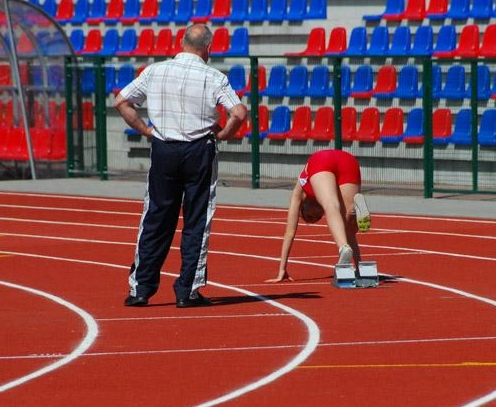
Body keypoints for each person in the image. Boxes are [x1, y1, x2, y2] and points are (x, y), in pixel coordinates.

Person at [115, 24, 248, 308]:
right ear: (208, 49)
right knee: (197, 221)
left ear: (182, 41)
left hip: (164, 148)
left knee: (155, 218)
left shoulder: (155, 70)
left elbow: (122, 101)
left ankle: (141, 288)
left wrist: (145, 130)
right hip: (199, 149)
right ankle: (187, 290)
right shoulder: (214, 77)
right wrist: (224, 134)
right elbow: (238, 112)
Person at [266, 149, 370, 283]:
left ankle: (343, 248)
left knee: (331, 205)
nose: (316, 216)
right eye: (317, 218)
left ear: (303, 208)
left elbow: (289, 233)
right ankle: (355, 211)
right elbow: (350, 235)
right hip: (347, 160)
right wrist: (359, 266)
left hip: (320, 161)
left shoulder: (298, 195)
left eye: (309, 217)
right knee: (348, 223)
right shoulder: (322, 192)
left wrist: (282, 269)